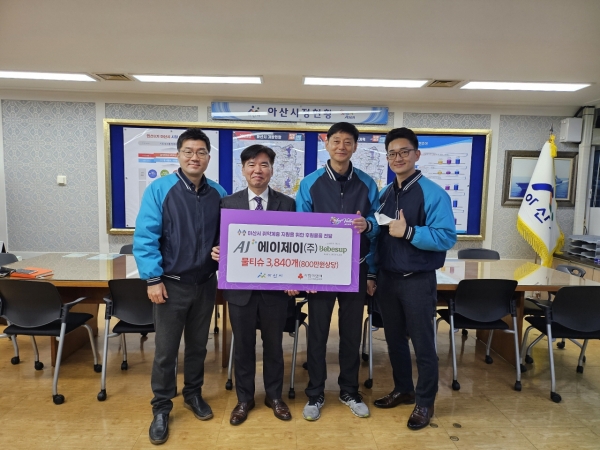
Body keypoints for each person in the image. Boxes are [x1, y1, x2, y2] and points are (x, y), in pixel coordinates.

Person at [133, 128, 227, 445]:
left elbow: (226, 234)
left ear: (208, 157)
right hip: (170, 286)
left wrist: (222, 249)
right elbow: (145, 237)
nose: (194, 157)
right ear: (178, 155)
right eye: (188, 151)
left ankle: (193, 394)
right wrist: (153, 279)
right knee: (166, 352)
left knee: (198, 347)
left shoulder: (218, 192)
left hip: (205, 284)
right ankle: (161, 407)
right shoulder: (160, 190)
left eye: (201, 152)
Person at [372, 127, 456, 430]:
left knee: (423, 344)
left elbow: (446, 237)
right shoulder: (385, 193)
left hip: (417, 281)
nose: (398, 158)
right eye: (392, 153)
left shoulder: (433, 193)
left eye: (404, 152)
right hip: (388, 280)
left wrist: (408, 232)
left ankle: (425, 402)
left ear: (417, 154)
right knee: (394, 340)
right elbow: (378, 237)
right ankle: (403, 389)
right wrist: (372, 272)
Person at [295, 122, 379, 420]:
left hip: (356, 269)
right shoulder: (310, 183)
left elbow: (378, 225)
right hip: (321, 271)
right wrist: (304, 272)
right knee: (317, 333)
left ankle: (349, 390)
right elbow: (301, 228)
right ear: (326, 143)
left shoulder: (368, 183)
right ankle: (315, 393)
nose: (341, 146)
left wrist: (368, 226)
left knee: (351, 333)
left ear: (355, 146)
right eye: (336, 141)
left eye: (348, 142)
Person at [211, 144, 296, 425]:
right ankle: (244, 399)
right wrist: (216, 251)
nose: (257, 170)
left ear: (272, 169)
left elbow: (294, 245)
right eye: (251, 164)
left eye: (263, 164)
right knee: (243, 347)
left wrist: (295, 276)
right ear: (243, 169)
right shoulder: (227, 203)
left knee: (274, 346)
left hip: (275, 291)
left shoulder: (287, 204)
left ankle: (274, 397)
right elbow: (219, 241)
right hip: (240, 291)